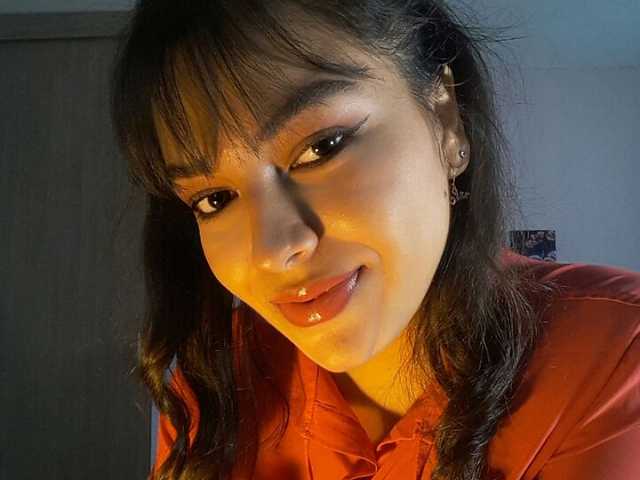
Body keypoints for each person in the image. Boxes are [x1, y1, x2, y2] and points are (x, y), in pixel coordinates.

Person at [110, 1, 640, 479]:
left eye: (322, 147)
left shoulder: (613, 359)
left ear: (445, 118)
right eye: (214, 199)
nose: (272, 249)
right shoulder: (214, 391)